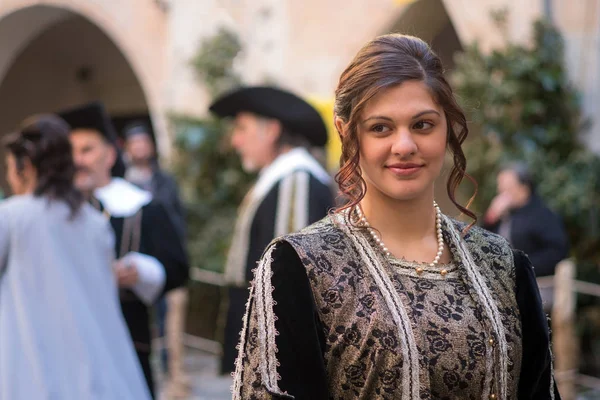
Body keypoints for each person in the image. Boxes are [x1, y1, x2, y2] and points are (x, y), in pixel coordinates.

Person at [233, 34, 560, 399]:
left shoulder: (503, 264)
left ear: (447, 128)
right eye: (380, 128)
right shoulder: (300, 266)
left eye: (422, 125)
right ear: (348, 134)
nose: (404, 146)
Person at [0, 114, 151, 399]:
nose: (9, 177)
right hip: (96, 366)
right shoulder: (94, 222)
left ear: (27, 167)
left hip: (32, 365)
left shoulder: (12, 217)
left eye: (9, 167)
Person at [59, 101, 190, 398]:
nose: (78, 160)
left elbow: (178, 268)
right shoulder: (55, 212)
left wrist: (142, 271)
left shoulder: (141, 206)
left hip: (128, 340)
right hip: (68, 344)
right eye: (71, 151)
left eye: (87, 150)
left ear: (110, 154)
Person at [208, 86, 335, 374]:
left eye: (242, 128)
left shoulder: (295, 181)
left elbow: (289, 283)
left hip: (277, 362)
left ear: (272, 130)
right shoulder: (283, 179)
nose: (236, 140)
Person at [122, 120, 190, 396]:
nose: (140, 147)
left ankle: (172, 378)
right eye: (134, 143)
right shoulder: (121, 185)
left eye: (143, 142)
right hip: (133, 266)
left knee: (170, 324)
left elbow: (177, 219)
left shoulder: (164, 181)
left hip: (165, 263)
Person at [483, 162, 569, 278]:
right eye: (500, 188)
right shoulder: (502, 215)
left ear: (524, 188)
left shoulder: (542, 215)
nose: (502, 194)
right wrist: (491, 217)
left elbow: (557, 251)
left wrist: (522, 267)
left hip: (537, 284)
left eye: (507, 188)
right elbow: (481, 243)